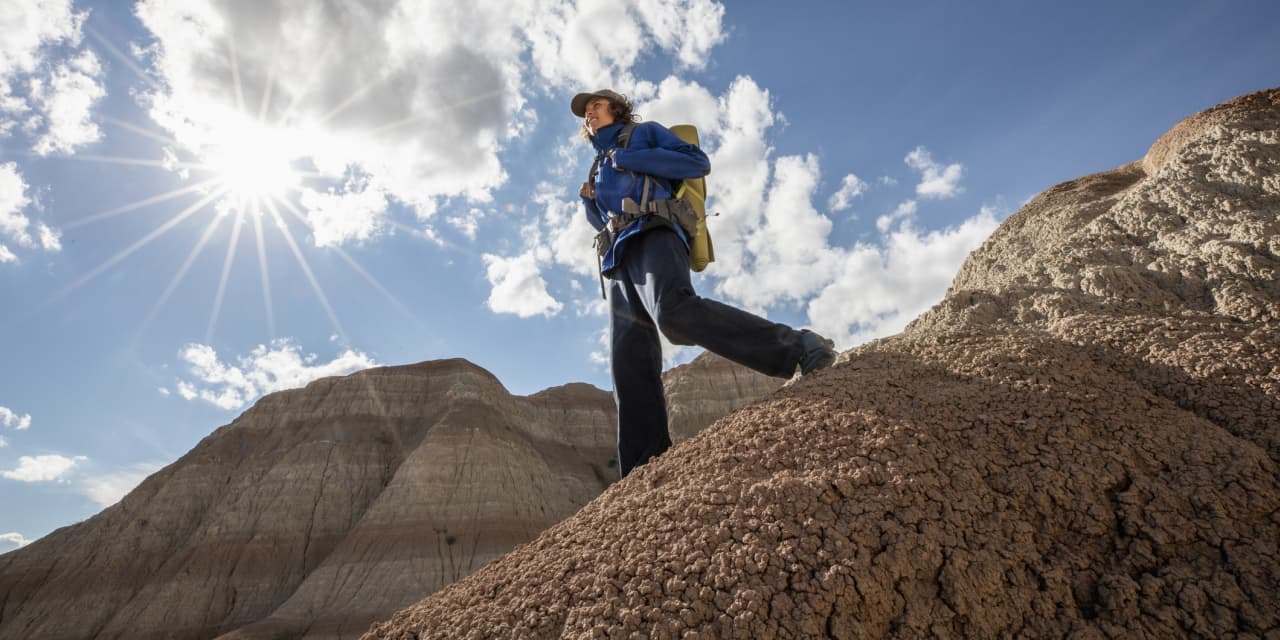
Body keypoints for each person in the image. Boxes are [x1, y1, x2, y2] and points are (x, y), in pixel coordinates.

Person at [572, 89, 837, 479]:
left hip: (655, 231)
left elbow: (697, 162)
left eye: (595, 106)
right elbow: (603, 221)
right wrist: (588, 203)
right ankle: (644, 470)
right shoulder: (597, 167)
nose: (589, 115)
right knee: (626, 363)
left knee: (674, 313)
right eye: (585, 113)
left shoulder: (642, 134)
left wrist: (630, 158)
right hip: (616, 260)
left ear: (615, 108)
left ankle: (801, 347)